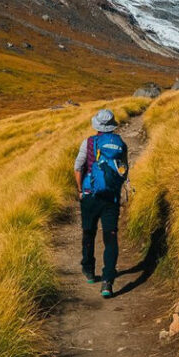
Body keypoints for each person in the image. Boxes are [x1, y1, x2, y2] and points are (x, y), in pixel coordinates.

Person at [74, 108, 129, 298]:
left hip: (90, 195)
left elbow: (78, 167)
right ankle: (107, 281)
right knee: (110, 237)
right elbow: (124, 170)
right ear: (112, 126)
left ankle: (89, 270)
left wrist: (81, 190)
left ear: (97, 125)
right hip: (111, 198)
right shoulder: (120, 144)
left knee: (88, 232)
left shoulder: (89, 143)